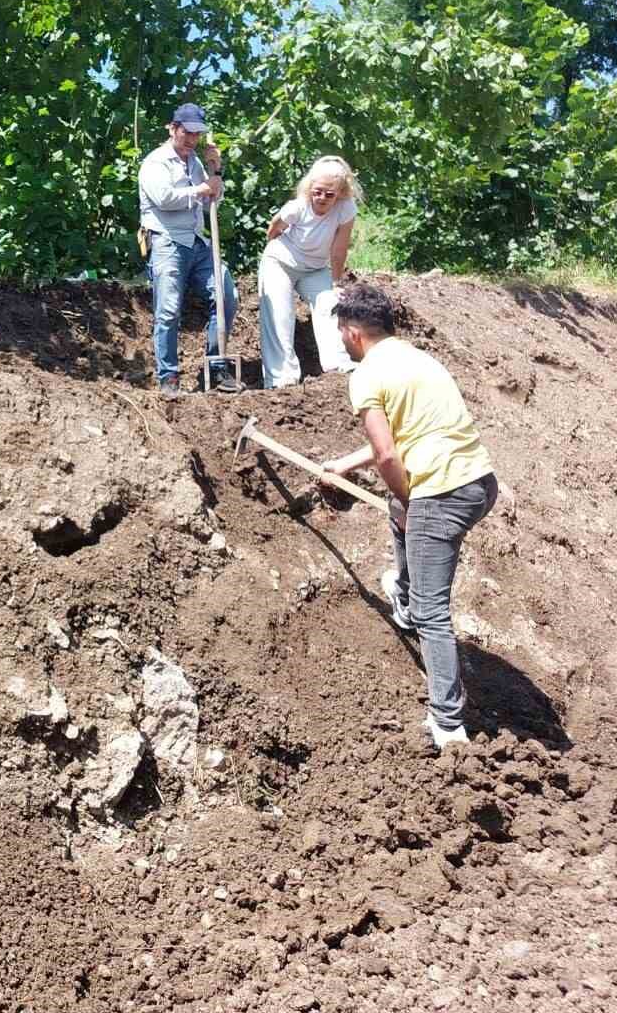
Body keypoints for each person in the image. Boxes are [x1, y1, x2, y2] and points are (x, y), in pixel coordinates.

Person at [320, 284, 499, 750]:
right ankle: (402, 596)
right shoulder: (419, 360)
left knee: (432, 612)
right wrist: (344, 465)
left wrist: (410, 498)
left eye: (341, 332)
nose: (341, 340)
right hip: (480, 484)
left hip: (441, 495)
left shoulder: (365, 376)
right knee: (401, 513)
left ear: (353, 333)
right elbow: (407, 437)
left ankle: (448, 723)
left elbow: (386, 455)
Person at [137, 102, 240, 398]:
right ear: (173, 128)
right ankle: (168, 377)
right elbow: (165, 198)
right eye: (188, 133)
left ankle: (217, 365)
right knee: (168, 310)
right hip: (166, 241)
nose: (192, 140)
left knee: (225, 296)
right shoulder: (155, 162)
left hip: (197, 241)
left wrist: (216, 170)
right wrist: (202, 189)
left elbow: (212, 201)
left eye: (197, 134)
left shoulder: (196, 163)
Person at [258, 155, 363, 389]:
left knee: (330, 304)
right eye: (318, 191)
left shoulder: (346, 209)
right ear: (310, 187)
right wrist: (275, 254)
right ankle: (281, 378)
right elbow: (273, 230)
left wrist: (335, 282)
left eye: (330, 194)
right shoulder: (298, 206)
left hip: (315, 268)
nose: (322, 198)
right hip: (280, 262)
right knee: (279, 315)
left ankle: (337, 365)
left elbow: (339, 248)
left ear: (341, 192)